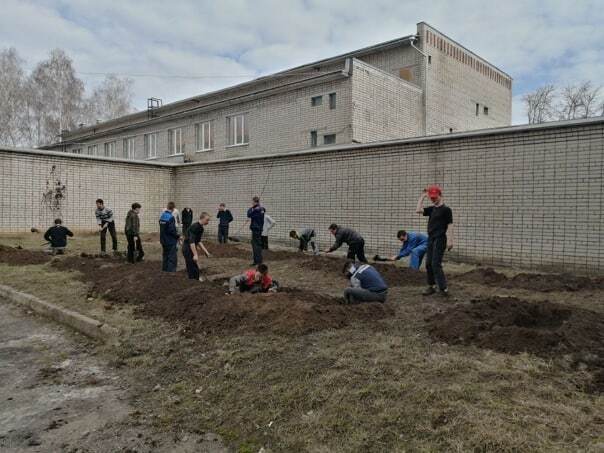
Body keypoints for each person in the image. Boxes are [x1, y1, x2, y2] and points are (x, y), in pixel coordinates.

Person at [416, 185, 454, 296]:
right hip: (431, 238)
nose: (433, 199)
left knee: (435, 264)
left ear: (440, 196)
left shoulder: (446, 210)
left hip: (440, 239)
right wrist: (423, 196)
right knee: (428, 264)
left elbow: (450, 225)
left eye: (435, 197)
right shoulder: (432, 209)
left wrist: (450, 241)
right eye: (431, 197)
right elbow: (418, 210)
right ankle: (431, 286)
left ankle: (443, 288)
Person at [183, 212, 212, 280]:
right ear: (202, 218)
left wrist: (206, 252)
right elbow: (191, 242)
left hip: (192, 247)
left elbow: (198, 241)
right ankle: (192, 281)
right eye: (207, 220)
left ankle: (195, 279)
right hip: (187, 248)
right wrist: (195, 254)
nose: (208, 222)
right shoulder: (195, 227)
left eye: (208, 220)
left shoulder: (201, 228)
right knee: (191, 265)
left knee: (194, 265)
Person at [159, 201, 180, 272]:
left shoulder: (162, 216)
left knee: (165, 255)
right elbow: (172, 230)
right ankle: (171, 272)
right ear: (173, 209)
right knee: (172, 257)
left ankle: (164, 270)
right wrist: (178, 236)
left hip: (163, 240)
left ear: (167, 207)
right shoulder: (171, 217)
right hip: (170, 241)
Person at [247, 196, 265, 265]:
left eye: (252, 202)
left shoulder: (255, 210)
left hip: (256, 229)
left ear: (255, 202)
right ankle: (258, 260)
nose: (252, 203)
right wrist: (256, 207)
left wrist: (253, 208)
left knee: (255, 245)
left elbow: (248, 214)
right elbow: (263, 209)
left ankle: (257, 261)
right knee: (257, 244)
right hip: (259, 229)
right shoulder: (262, 209)